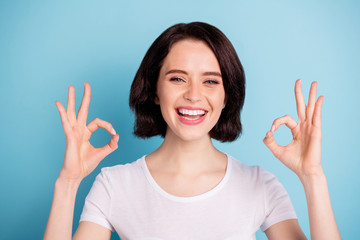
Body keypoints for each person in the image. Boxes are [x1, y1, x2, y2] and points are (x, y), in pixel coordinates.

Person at [44, 22, 341, 240]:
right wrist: (68, 182)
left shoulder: (260, 185)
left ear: (227, 96)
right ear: (155, 90)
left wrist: (312, 177)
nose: (194, 95)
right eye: (177, 79)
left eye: (211, 81)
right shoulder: (114, 185)